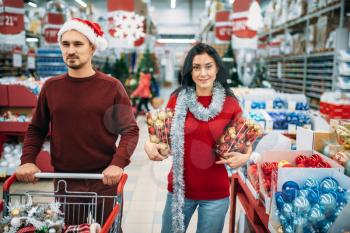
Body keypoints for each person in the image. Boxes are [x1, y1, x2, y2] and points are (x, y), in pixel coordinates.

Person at [15, 18, 139, 227]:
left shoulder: (111, 87)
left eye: (78, 44)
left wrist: (117, 164)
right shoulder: (51, 87)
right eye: (66, 44)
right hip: (66, 180)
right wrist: (27, 159)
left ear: (92, 48)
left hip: (104, 180)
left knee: (109, 230)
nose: (70, 50)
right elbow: (37, 128)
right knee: (70, 230)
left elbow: (130, 130)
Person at [144, 43, 252, 233]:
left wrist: (245, 157)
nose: (203, 73)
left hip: (215, 194)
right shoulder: (178, 100)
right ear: (190, 71)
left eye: (208, 66)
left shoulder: (230, 103)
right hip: (179, 190)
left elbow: (246, 140)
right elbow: (161, 134)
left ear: (217, 68)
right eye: (196, 67)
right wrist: (148, 145)